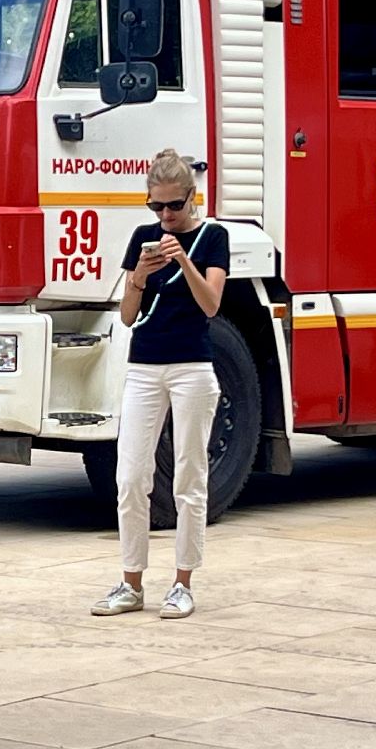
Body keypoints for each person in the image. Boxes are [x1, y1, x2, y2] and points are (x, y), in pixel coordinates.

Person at [93, 149, 228, 620]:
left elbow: (211, 304)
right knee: (130, 476)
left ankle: (183, 580)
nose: (165, 216)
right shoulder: (143, 238)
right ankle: (131, 581)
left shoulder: (213, 236)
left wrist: (183, 262)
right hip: (145, 365)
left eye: (173, 206)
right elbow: (129, 316)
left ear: (192, 198)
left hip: (192, 365)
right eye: (156, 207)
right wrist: (139, 277)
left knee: (190, 476)